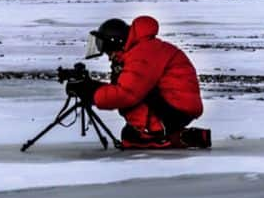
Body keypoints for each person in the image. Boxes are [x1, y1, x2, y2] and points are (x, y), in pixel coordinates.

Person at [71, 15, 204, 147]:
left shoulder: (143, 53)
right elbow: (125, 87)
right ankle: (164, 133)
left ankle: (156, 133)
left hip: (176, 109)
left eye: (109, 52)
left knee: (132, 133)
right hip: (175, 104)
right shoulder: (140, 49)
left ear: (116, 43)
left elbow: (126, 94)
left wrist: (91, 92)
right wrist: (92, 87)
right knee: (129, 134)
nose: (110, 57)